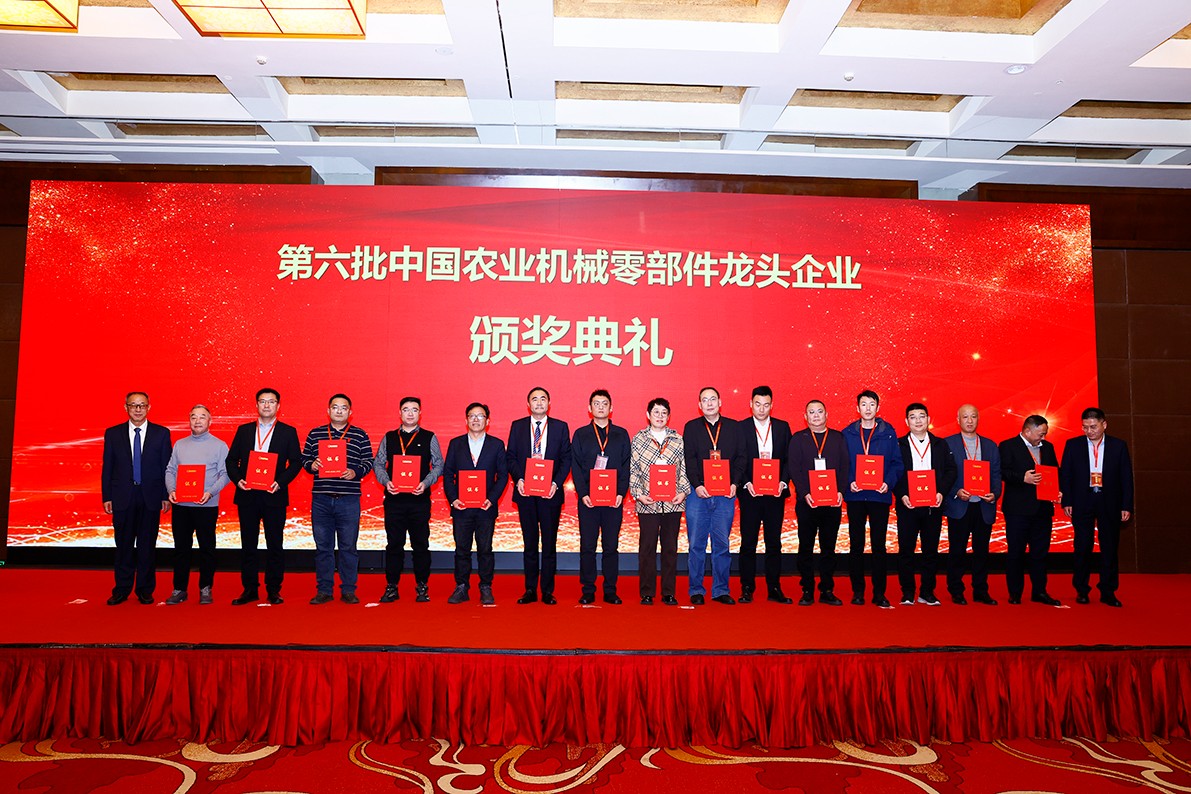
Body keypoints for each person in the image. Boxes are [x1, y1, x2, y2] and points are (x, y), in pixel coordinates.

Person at [225, 387, 303, 605]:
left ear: (278, 406)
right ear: (256, 405)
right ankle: (249, 589)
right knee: (248, 544)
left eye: (271, 402)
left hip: (274, 495)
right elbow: (231, 460)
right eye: (262, 401)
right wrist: (238, 480)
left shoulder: (288, 432)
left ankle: (273, 589)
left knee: (275, 544)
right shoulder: (244, 430)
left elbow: (296, 462)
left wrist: (280, 482)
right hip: (248, 494)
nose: (267, 405)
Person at [301, 393, 374, 605]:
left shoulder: (359, 435)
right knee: (323, 547)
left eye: (343, 408)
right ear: (328, 411)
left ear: (350, 412)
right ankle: (324, 590)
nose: (339, 411)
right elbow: (304, 460)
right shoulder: (316, 433)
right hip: (321, 499)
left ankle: (348, 589)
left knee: (348, 547)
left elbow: (368, 461)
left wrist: (355, 472)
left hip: (348, 499)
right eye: (335, 407)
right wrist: (312, 465)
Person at [101, 391, 171, 605]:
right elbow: (108, 467)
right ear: (126, 408)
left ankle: (145, 589)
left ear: (149, 407)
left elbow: (166, 467)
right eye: (133, 405)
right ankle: (121, 589)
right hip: (122, 497)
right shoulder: (113, 433)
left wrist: (166, 495)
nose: (138, 409)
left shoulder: (161, 433)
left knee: (147, 546)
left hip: (151, 497)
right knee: (123, 545)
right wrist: (107, 496)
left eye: (142, 405)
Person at [1060, 407, 1134, 607]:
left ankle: (1108, 591)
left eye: (1093, 427)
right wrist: (1067, 501)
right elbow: (1065, 475)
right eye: (1085, 427)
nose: (1089, 431)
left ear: (1104, 424)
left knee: (1109, 546)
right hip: (1082, 500)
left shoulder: (1118, 446)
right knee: (1082, 546)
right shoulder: (1073, 445)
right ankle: (1082, 589)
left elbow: (1126, 477)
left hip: (1109, 501)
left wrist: (1126, 505)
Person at [373, 396, 443, 603]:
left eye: (414, 410)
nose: (410, 413)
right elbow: (378, 463)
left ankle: (422, 585)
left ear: (420, 413)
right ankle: (391, 586)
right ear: (400, 413)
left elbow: (439, 464)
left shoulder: (429, 437)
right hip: (394, 501)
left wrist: (426, 483)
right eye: (406, 409)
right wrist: (386, 482)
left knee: (420, 544)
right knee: (394, 545)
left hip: (419, 501)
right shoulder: (389, 437)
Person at [507, 387, 571, 605]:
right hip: (526, 493)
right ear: (528, 404)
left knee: (549, 543)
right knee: (530, 543)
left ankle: (547, 590)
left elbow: (566, 459)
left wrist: (555, 483)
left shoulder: (560, 427)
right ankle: (530, 589)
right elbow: (511, 457)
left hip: (550, 494)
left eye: (543, 399)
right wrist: (519, 479)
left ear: (549, 403)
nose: (539, 402)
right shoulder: (517, 426)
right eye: (535, 399)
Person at [683, 386, 746, 605]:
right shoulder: (691, 427)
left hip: (725, 495)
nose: (709, 403)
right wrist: (697, 485)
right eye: (705, 400)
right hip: (698, 494)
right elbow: (689, 459)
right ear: (699, 405)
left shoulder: (734, 427)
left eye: (713, 399)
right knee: (696, 544)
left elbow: (741, 458)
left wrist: (735, 483)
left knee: (722, 544)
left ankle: (720, 590)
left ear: (720, 402)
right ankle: (696, 589)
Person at [842, 389, 904, 608]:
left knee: (879, 545)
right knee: (856, 545)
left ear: (878, 408)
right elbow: (842, 463)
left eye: (871, 404)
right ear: (857, 408)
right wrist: (849, 481)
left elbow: (897, 463)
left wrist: (888, 482)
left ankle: (879, 593)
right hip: (856, 496)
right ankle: (858, 591)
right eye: (863, 404)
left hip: (879, 496)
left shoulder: (889, 432)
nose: (867, 408)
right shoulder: (848, 433)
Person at [443, 402, 508, 605]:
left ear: (487, 421)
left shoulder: (496, 445)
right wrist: (453, 499)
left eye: (480, 416)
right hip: (461, 507)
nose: (476, 419)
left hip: (485, 507)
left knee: (485, 549)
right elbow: (448, 474)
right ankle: (461, 586)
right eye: (472, 416)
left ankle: (485, 586)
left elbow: (503, 476)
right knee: (461, 549)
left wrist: (492, 499)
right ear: (466, 420)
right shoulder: (456, 444)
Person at [164, 404, 230, 605]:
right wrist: (171, 490)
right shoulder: (180, 445)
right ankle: (179, 589)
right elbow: (170, 470)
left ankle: (205, 588)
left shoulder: (220, 446)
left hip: (206, 506)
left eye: (202, 417)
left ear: (210, 421)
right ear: (189, 421)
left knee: (207, 549)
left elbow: (225, 474)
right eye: (194, 417)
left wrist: (210, 493)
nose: (197, 421)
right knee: (181, 549)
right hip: (181, 506)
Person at [893, 402, 957, 606]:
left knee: (930, 550)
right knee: (906, 550)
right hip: (908, 505)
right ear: (907, 421)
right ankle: (907, 592)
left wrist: (941, 492)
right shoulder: (899, 445)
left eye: (922, 416)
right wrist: (902, 494)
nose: (918, 420)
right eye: (913, 417)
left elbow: (951, 471)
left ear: (928, 420)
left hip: (932, 505)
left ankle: (927, 592)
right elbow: (893, 472)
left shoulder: (940, 444)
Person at [787, 399, 850, 607]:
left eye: (819, 411)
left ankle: (827, 589)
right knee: (805, 546)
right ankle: (807, 589)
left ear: (826, 415)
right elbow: (794, 469)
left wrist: (840, 491)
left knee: (828, 548)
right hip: (807, 502)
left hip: (832, 504)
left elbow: (845, 466)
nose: (816, 416)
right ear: (805, 417)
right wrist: (805, 493)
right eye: (811, 412)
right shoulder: (798, 439)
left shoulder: (838, 438)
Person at [571, 389, 631, 604]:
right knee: (587, 546)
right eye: (596, 403)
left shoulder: (621, 434)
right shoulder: (580, 434)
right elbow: (576, 466)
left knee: (610, 546)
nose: (601, 407)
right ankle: (588, 589)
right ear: (590, 408)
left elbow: (626, 466)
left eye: (605, 403)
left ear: (611, 408)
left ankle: (610, 590)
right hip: (588, 500)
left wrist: (621, 493)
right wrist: (583, 493)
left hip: (613, 500)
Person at [629, 397, 690, 605]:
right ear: (648, 415)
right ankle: (647, 592)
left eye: (664, 413)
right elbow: (633, 470)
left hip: (673, 502)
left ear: (669, 416)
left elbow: (684, 469)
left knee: (670, 548)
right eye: (656, 412)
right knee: (647, 548)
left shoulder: (677, 439)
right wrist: (638, 494)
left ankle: (668, 592)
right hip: (647, 503)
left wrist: (683, 492)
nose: (660, 416)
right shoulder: (639, 439)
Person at [737, 386, 793, 603]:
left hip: (774, 494)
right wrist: (745, 482)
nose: (761, 409)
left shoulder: (782, 427)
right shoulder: (741, 427)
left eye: (766, 405)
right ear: (751, 404)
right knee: (748, 542)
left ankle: (774, 588)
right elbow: (737, 459)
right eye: (757, 404)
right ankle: (747, 587)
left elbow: (789, 459)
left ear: (772, 405)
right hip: (750, 494)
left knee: (774, 543)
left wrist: (783, 481)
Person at [999, 414, 1063, 606]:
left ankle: (1039, 591)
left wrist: (1057, 490)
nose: (1043, 437)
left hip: (1043, 509)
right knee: (1016, 552)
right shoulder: (1008, 446)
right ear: (1027, 431)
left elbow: (1055, 471)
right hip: (1018, 510)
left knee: (1040, 553)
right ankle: (1015, 592)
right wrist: (1022, 478)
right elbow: (1001, 472)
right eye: (1040, 434)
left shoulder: (1048, 447)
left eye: (1045, 434)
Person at [942, 404, 1002, 605]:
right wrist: (955, 492)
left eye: (973, 417)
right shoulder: (947, 444)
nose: (969, 421)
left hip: (983, 506)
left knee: (981, 552)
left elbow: (996, 474)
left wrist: (994, 494)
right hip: (960, 505)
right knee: (957, 551)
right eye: (965, 417)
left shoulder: (990, 446)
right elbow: (943, 474)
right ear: (958, 420)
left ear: (978, 419)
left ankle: (980, 590)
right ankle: (956, 590)